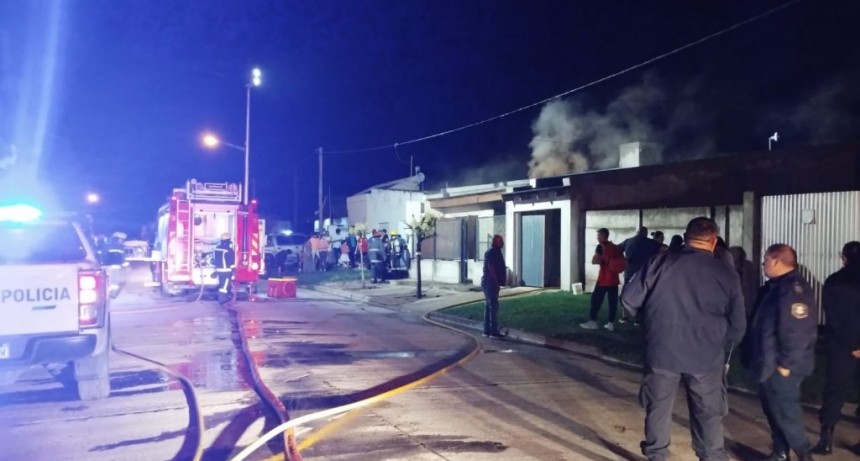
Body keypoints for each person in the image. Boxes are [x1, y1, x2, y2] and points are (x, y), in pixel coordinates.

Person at [620, 217, 746, 461]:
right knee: (709, 414)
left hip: (662, 352)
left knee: (658, 410)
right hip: (706, 357)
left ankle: (657, 455)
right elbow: (738, 324)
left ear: (687, 237)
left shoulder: (660, 263)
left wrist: (649, 324)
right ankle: (711, 456)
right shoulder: (726, 273)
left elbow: (628, 299)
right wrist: (722, 346)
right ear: (713, 241)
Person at [746, 244, 818, 461]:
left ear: (775, 260)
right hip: (770, 364)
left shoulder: (792, 290)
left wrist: (785, 366)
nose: (763, 265)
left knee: (786, 414)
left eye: (765, 260)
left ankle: (804, 454)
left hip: (782, 367)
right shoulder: (776, 287)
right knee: (773, 411)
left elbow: (797, 332)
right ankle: (780, 452)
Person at [812, 241, 860, 455]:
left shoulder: (833, 281)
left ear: (844, 257)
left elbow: (834, 318)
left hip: (841, 347)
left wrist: (853, 345)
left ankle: (826, 440)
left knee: (834, 392)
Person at [580, 228, 625, 331]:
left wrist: (601, 261)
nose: (597, 237)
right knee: (612, 302)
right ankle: (610, 323)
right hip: (614, 279)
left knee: (596, 300)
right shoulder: (614, 247)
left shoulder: (601, 247)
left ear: (603, 236)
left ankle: (592, 322)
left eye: (599, 235)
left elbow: (594, 261)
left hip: (604, 279)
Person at [617, 226, 660, 324]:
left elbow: (617, 250)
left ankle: (625, 316)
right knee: (643, 294)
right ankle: (638, 318)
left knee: (627, 292)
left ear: (636, 232)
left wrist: (623, 261)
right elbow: (662, 250)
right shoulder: (651, 243)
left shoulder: (628, 241)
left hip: (630, 271)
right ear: (646, 233)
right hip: (644, 272)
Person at [482, 235, 506, 338]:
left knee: (489, 306)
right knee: (493, 305)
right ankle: (493, 331)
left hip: (489, 282)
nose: (502, 243)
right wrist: (496, 283)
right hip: (490, 282)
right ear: (496, 242)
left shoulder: (495, 252)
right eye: (500, 241)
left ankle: (487, 330)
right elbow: (491, 268)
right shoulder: (492, 253)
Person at [213, 232, 235, 302]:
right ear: (228, 241)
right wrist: (234, 270)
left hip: (219, 270)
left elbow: (215, 259)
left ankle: (225, 296)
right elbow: (231, 261)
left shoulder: (217, 248)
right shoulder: (229, 250)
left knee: (222, 284)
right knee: (224, 286)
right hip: (226, 271)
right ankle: (222, 299)